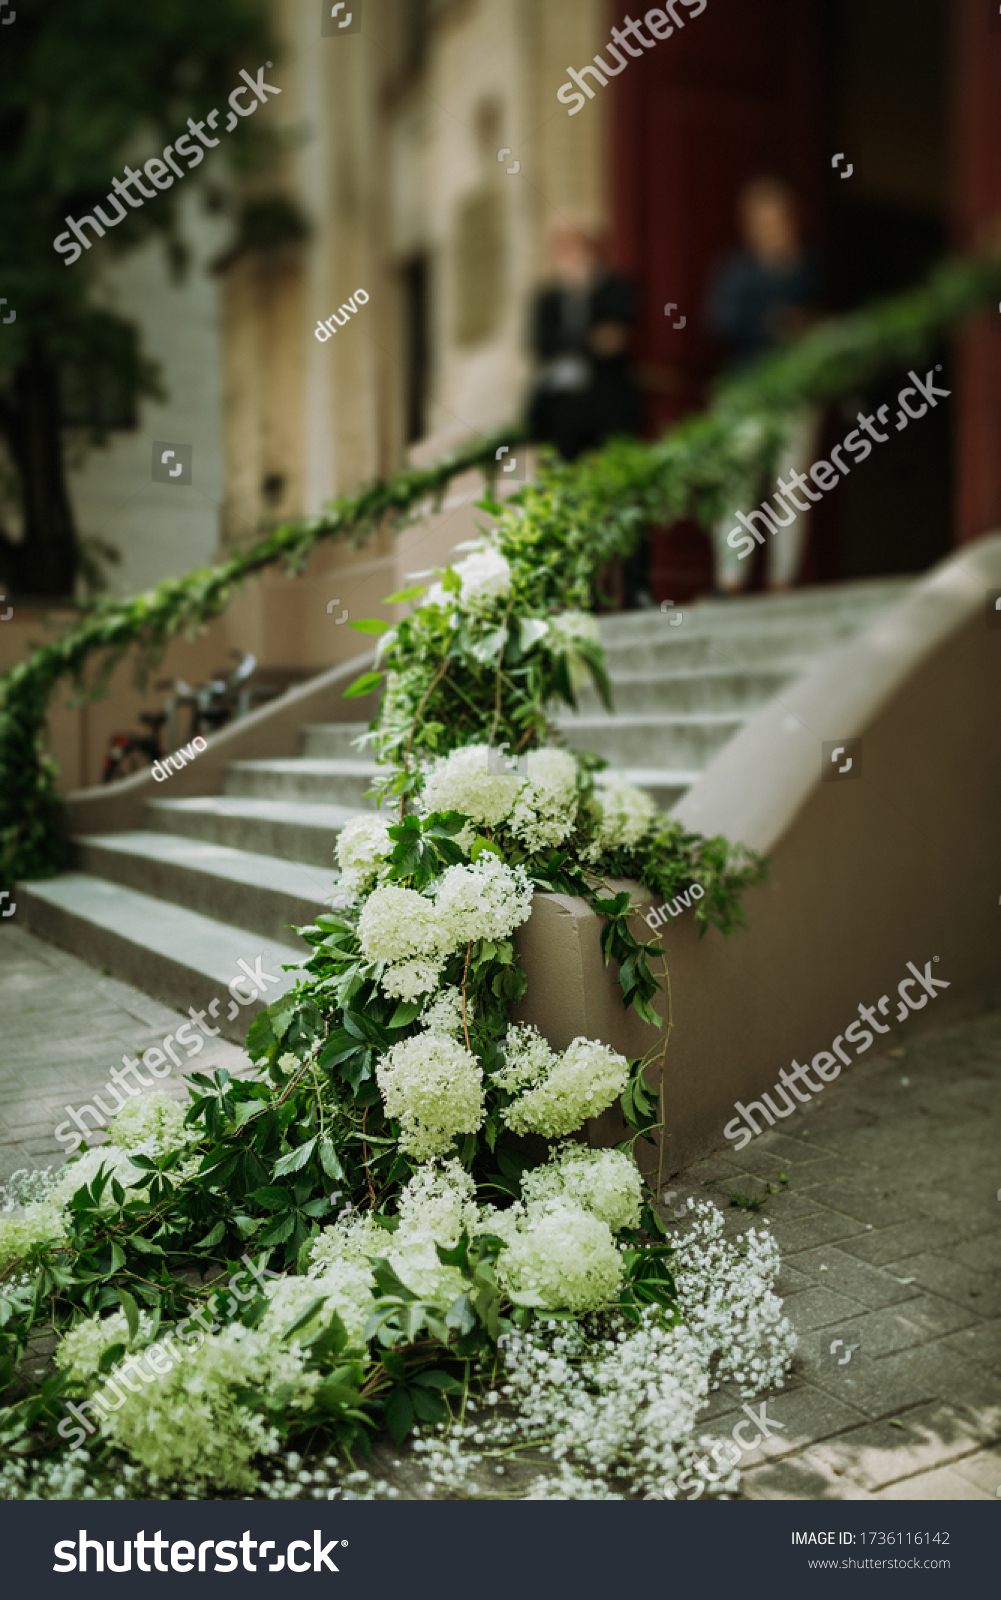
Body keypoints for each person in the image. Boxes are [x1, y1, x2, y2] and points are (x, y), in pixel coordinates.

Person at [705, 178, 824, 594]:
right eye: (764, 220)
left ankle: (782, 580)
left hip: (796, 390)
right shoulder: (736, 274)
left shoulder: (810, 270)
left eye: (780, 219)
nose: (774, 227)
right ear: (750, 226)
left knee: (792, 487)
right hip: (746, 389)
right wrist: (774, 323)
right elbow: (723, 323)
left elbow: (825, 327)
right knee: (737, 485)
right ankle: (730, 579)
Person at [527, 224, 650, 603]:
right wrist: (587, 340)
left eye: (578, 250)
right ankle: (577, 591)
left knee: (627, 499)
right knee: (567, 502)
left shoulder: (615, 289)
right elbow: (541, 346)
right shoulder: (547, 300)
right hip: (564, 420)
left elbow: (618, 335)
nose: (572, 260)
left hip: (613, 412)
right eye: (564, 253)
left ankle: (636, 587)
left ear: (594, 253)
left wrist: (584, 317)